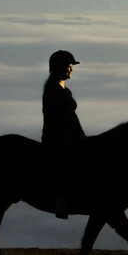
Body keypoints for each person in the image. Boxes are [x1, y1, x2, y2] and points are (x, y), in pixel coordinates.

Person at [42, 50, 85, 218]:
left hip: (68, 136)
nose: (71, 70)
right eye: (69, 66)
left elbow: (71, 118)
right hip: (57, 139)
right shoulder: (54, 89)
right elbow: (62, 118)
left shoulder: (60, 87)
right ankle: (61, 200)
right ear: (60, 68)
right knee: (68, 164)